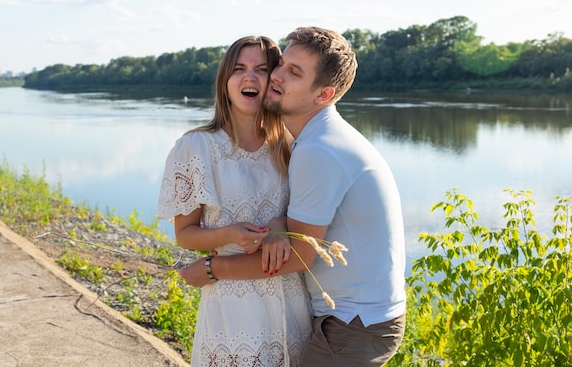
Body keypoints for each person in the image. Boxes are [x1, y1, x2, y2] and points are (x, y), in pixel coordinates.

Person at [179, 27, 406, 367]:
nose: (276, 76)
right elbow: (305, 226)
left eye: (294, 73)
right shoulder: (313, 139)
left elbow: (300, 256)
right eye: (282, 64)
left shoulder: (319, 149)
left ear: (323, 93)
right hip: (352, 318)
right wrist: (278, 222)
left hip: (356, 323)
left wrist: (213, 269)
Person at [157, 35, 313, 367]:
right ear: (226, 80)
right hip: (231, 306)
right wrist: (229, 234)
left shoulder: (290, 145)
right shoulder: (196, 148)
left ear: (274, 81)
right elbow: (185, 234)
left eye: (261, 69)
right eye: (239, 68)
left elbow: (301, 217)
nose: (250, 78)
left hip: (291, 301)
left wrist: (281, 225)